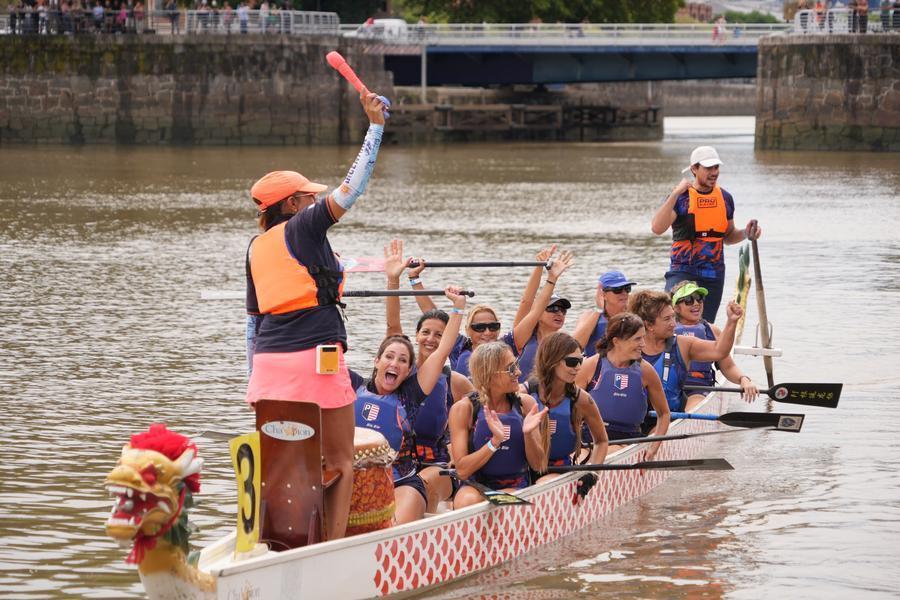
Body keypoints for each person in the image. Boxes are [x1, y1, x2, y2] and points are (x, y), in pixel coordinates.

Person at [243, 90, 387, 540]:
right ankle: (332, 550)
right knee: (339, 461)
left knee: (285, 464)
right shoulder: (303, 225)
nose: (312, 202)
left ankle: (281, 540)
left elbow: (253, 324)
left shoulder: (255, 247)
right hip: (315, 360)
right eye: (305, 197)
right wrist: (376, 127)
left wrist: (253, 384)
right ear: (289, 205)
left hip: (266, 369)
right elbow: (352, 188)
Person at [351, 286, 467, 525]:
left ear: (407, 372)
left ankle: (429, 518)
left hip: (407, 477)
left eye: (403, 360)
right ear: (377, 360)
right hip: (358, 478)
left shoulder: (411, 394)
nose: (395, 363)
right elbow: (319, 350)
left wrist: (458, 307)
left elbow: (444, 349)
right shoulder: (353, 386)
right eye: (389, 357)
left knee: (400, 516)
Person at [383, 239, 474, 512]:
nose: (431, 339)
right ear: (416, 336)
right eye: (426, 333)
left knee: (421, 482)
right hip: (398, 466)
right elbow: (392, 325)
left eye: (439, 334)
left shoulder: (457, 383)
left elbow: (478, 425)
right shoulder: (400, 372)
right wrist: (393, 281)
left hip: (437, 469)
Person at [406, 245, 559, 379]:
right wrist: (414, 278)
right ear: (467, 330)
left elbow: (533, 310)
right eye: (479, 328)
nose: (487, 332)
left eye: (493, 326)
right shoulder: (458, 346)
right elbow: (433, 315)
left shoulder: (507, 346)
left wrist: (550, 277)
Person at [650, 146, 761, 324]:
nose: (714, 172)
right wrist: (675, 192)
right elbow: (657, 228)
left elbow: (728, 235)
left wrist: (746, 234)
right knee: (669, 320)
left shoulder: (725, 198)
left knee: (704, 325)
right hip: (682, 271)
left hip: (713, 274)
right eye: (708, 168)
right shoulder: (681, 198)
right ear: (694, 169)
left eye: (716, 167)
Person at [449, 342, 548, 509]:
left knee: (505, 501)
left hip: (517, 485)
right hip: (476, 486)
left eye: (515, 365)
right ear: (490, 375)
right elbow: (462, 471)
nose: (518, 372)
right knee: (465, 501)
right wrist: (494, 443)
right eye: (510, 369)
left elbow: (538, 465)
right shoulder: (463, 409)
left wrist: (529, 434)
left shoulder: (526, 405)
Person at [629, 290, 742, 414]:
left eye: (673, 316)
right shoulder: (628, 347)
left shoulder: (683, 344)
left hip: (669, 416)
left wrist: (731, 321)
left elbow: (719, 351)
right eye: (667, 319)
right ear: (649, 325)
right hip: (635, 418)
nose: (673, 324)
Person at [576, 313, 670, 456]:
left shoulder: (646, 371)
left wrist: (654, 447)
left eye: (643, 338)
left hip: (628, 441)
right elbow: (571, 410)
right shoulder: (591, 366)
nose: (643, 344)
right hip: (591, 437)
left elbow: (664, 414)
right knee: (582, 457)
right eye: (637, 339)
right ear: (617, 341)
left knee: (610, 452)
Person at [525, 332, 607, 481]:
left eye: (580, 361)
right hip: (523, 472)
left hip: (560, 471)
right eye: (571, 362)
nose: (577, 367)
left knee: (545, 482)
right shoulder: (524, 395)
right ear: (552, 361)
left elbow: (601, 441)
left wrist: (592, 474)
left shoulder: (582, 399)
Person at [671, 281, 759, 411]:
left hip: (698, 389)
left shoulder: (712, 331)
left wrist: (744, 379)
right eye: (688, 300)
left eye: (699, 298)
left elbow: (728, 367)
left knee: (692, 409)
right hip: (670, 387)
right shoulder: (666, 329)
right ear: (676, 307)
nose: (696, 303)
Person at [505, 251, 575, 383]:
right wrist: (540, 268)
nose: (559, 313)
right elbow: (527, 301)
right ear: (538, 312)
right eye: (553, 308)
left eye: (563, 310)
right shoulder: (523, 337)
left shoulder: (565, 344)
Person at [573, 269, 636, 358]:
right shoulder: (589, 316)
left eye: (627, 289)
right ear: (603, 294)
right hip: (595, 368)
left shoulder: (634, 315)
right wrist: (599, 310)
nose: (624, 293)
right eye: (617, 290)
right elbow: (574, 348)